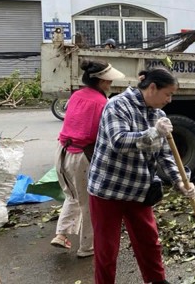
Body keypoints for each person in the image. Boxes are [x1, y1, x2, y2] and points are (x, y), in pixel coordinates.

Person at [87, 68, 195, 284]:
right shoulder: (117, 105)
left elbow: (166, 154)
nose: (169, 100)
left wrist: (181, 181)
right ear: (152, 88)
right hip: (108, 190)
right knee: (107, 249)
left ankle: (157, 281)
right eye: (168, 94)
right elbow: (119, 141)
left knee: (149, 241)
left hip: (138, 189)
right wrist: (154, 132)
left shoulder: (159, 115)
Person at [50, 60, 125, 258]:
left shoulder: (76, 96)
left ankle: (62, 234)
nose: (110, 85)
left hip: (62, 151)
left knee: (72, 195)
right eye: (108, 82)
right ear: (100, 82)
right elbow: (106, 134)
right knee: (90, 203)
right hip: (80, 156)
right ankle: (86, 248)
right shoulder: (102, 103)